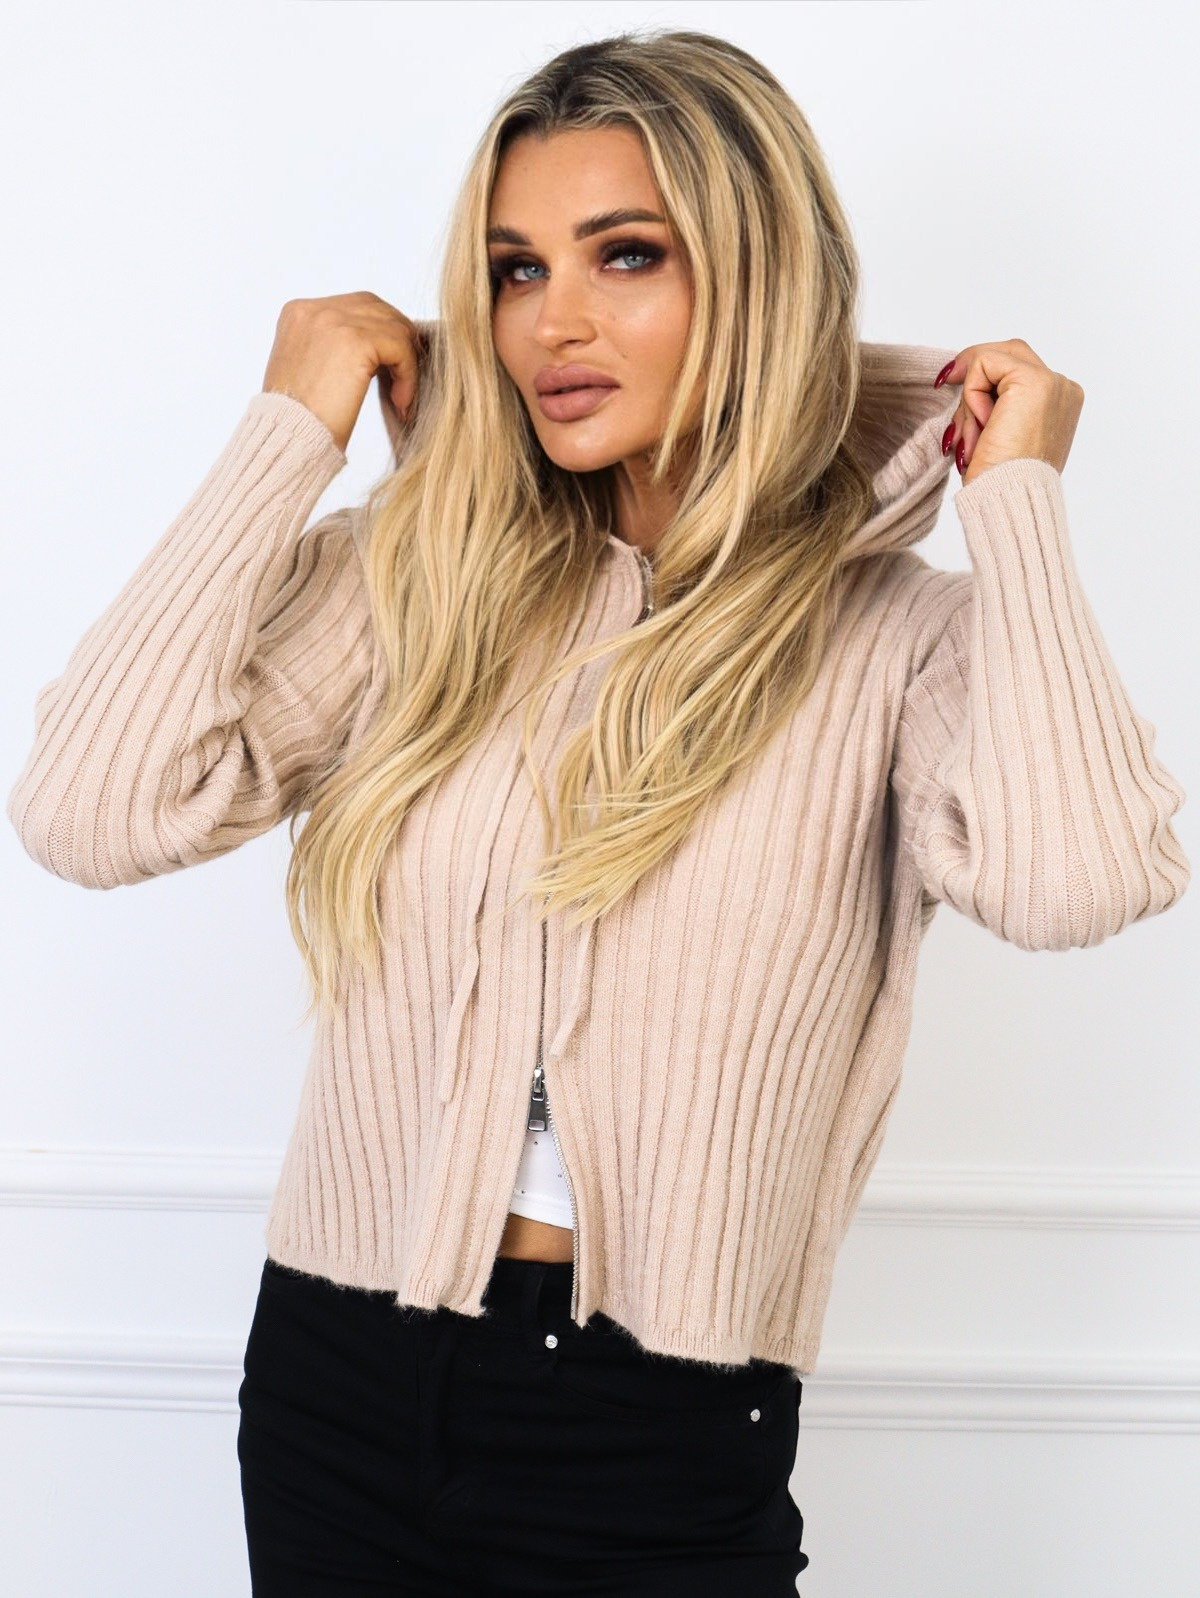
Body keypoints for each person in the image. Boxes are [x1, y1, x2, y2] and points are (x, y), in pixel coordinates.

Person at [7, 25, 1190, 1598]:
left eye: (625, 255)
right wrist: (286, 434)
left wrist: (1015, 496)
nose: (550, 321)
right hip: (335, 1378)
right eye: (514, 270)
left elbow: (1076, 878)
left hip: (661, 1423)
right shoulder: (420, 578)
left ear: (756, 275)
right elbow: (87, 808)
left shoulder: (899, 638)